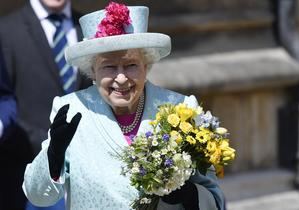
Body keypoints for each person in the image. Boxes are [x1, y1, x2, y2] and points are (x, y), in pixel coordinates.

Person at [22, 2, 225, 209]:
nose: (121, 78)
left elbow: (216, 201)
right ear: (93, 71)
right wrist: (53, 157)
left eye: (131, 65)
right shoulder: (71, 110)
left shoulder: (181, 109)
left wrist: (191, 196)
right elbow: (38, 197)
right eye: (109, 66)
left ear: (146, 66)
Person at [0, 0, 91, 209]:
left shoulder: (87, 26)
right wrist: (51, 147)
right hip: (27, 173)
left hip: (87, 174)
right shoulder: (5, 30)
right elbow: (5, 99)